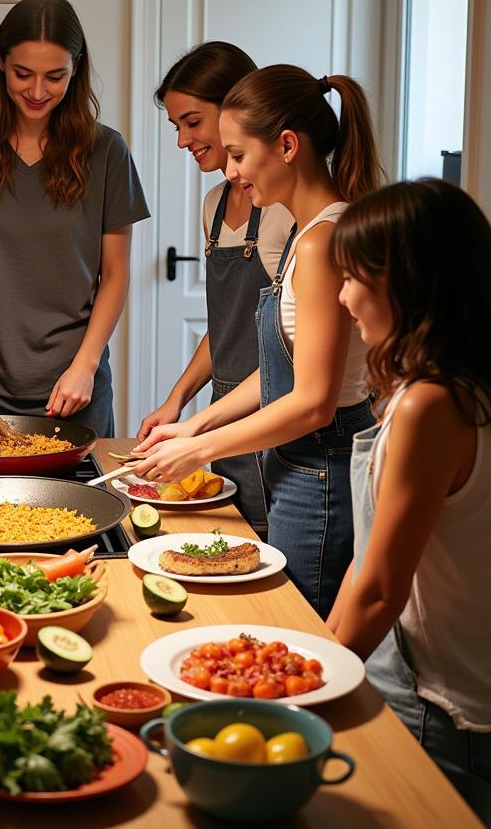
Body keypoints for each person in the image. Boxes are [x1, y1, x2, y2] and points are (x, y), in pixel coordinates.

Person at [135, 66, 383, 617]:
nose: (230, 171)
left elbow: (314, 403)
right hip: (301, 464)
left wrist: (199, 450)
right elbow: (284, 371)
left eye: (238, 155)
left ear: (287, 146)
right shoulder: (312, 233)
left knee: (300, 633)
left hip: (321, 469)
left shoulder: (322, 242)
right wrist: (195, 422)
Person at [326, 179, 491, 828]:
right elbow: (369, 569)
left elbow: (382, 588)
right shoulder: (485, 380)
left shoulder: (428, 405)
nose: (342, 296)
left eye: (353, 276)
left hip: (443, 709)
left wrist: (308, 688)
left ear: (405, 281)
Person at [0, 0, 149, 435]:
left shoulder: (108, 152)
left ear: (75, 69)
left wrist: (86, 365)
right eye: (23, 74)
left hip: (73, 387)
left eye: (54, 76)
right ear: (0, 62)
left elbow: (115, 274)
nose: (38, 91)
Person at [136, 42, 294, 537]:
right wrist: (178, 400)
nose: (183, 140)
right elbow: (229, 326)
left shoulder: (284, 210)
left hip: (273, 422)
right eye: (176, 127)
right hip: (223, 417)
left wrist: (200, 433)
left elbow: (291, 348)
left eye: (192, 121)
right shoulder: (213, 204)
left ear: (234, 109)